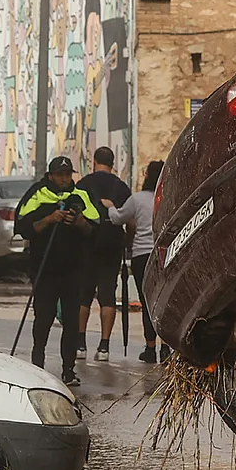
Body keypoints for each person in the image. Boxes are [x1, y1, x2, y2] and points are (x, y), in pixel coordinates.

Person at [15, 156, 100, 388]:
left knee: (72, 321)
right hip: (44, 268)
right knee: (43, 317)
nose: (64, 179)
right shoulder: (38, 193)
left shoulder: (82, 195)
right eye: (60, 175)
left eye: (67, 174)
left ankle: (69, 370)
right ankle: (37, 364)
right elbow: (22, 227)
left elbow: (97, 228)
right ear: (51, 175)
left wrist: (80, 222)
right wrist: (49, 219)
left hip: (73, 269)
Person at [76, 146, 132, 363]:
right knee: (107, 295)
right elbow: (130, 221)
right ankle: (104, 346)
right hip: (112, 246)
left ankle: (80, 343)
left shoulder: (83, 185)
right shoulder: (121, 187)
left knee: (84, 295)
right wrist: (128, 241)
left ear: (93, 161)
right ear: (113, 163)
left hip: (86, 245)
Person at [111, 160, 169, 364]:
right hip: (164, 254)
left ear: (146, 176)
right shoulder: (168, 198)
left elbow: (118, 217)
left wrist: (109, 207)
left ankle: (150, 348)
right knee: (163, 301)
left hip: (141, 255)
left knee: (147, 303)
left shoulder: (137, 200)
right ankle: (165, 347)